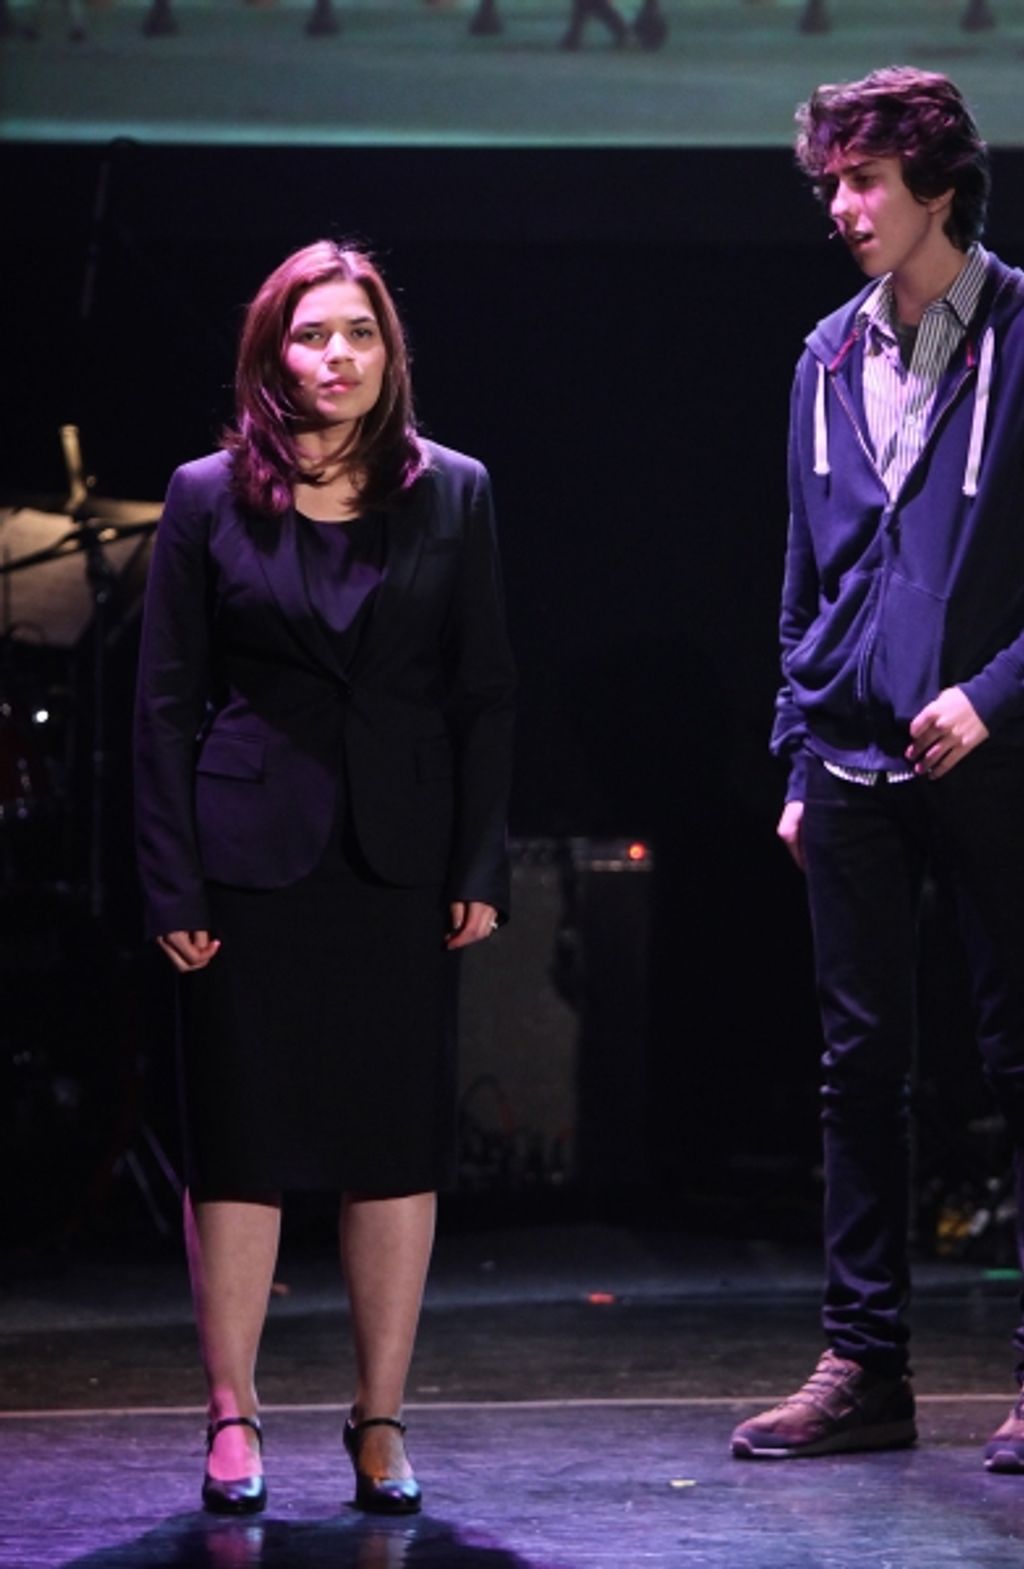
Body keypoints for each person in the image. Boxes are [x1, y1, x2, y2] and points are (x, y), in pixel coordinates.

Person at [731, 67, 1024, 1473]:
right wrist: (797, 748)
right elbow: (801, 578)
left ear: (939, 185)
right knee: (860, 1073)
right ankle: (865, 1364)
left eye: (864, 181)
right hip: (844, 762)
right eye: (830, 184)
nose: (841, 208)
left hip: (982, 753)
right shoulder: (824, 359)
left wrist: (993, 692)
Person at [134, 240, 516, 1515]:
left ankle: (381, 1419)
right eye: (311, 334)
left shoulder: (453, 492)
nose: (337, 355)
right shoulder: (205, 496)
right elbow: (166, 705)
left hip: (397, 864)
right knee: (240, 1144)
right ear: (271, 354)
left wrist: (477, 861)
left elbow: (484, 696)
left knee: (392, 1145)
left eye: (359, 333)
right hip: (244, 862)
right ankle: (233, 1412)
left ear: (388, 352)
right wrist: (171, 883)